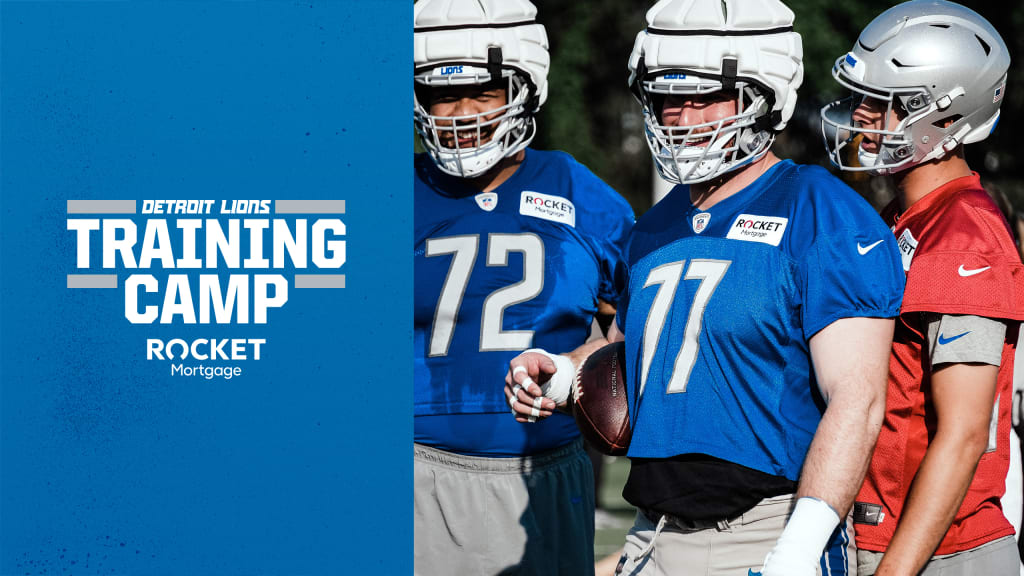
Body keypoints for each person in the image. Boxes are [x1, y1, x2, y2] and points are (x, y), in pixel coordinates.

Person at [506, 0, 905, 574]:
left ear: (762, 93)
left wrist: (800, 545)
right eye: (668, 98)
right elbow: (626, 349)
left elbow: (857, 399)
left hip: (763, 527)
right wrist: (564, 371)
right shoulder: (657, 224)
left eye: (703, 96)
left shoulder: (820, 210)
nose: (681, 117)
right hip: (653, 531)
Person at [413, 0, 634, 573]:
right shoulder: (388, 190)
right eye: (443, 93)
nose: (461, 113)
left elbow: (640, 311)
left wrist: (590, 361)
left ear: (524, 87)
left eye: (483, 92)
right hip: (409, 466)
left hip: (542, 468)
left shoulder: (579, 192)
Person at [820, 1, 1024, 574]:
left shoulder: (964, 238)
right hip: (896, 541)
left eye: (880, 103)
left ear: (942, 115)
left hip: (940, 553)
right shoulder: (907, 218)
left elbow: (962, 435)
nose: (858, 116)